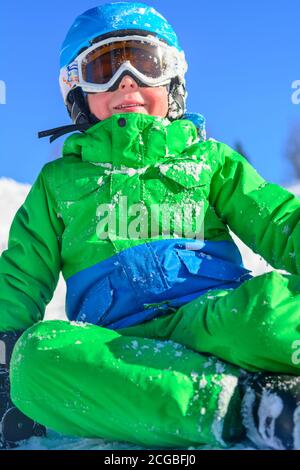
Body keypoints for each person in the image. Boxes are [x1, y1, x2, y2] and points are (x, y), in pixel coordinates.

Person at [1, 2, 300, 450]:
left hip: (215, 317)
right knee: (37, 358)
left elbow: (278, 220)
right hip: (118, 346)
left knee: (267, 308)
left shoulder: (208, 162)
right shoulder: (58, 185)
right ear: (78, 90)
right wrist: (5, 368)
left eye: (145, 63)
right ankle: (240, 404)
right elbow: (20, 277)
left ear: (173, 80)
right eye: (103, 67)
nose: (127, 79)